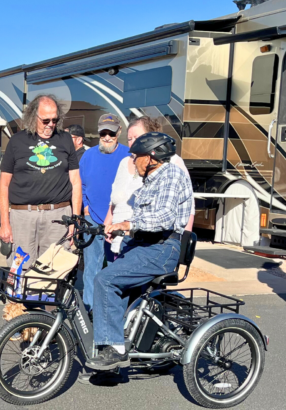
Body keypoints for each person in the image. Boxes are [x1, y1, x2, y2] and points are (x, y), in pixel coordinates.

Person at [87, 132, 194, 370]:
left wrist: (127, 225)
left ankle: (114, 351)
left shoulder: (171, 175)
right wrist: (118, 229)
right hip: (145, 244)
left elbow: (164, 217)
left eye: (136, 156)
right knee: (115, 290)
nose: (133, 160)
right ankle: (110, 370)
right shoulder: (151, 179)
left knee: (105, 280)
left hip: (162, 247)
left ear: (151, 156)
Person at [0, 95, 82, 267]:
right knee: (21, 270)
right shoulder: (17, 141)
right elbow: (4, 185)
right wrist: (4, 223)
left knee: (53, 270)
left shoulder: (65, 139)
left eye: (55, 120)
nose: (51, 124)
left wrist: (75, 220)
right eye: (45, 120)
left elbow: (75, 181)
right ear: (33, 117)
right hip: (23, 216)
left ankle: (48, 296)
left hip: (58, 215)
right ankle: (20, 295)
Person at [105, 116, 195, 259]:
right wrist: (107, 226)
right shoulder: (123, 163)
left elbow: (187, 206)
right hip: (117, 239)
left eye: (137, 137)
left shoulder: (170, 163)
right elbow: (114, 200)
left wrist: (181, 245)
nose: (132, 142)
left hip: (148, 244)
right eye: (129, 138)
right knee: (108, 278)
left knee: (111, 280)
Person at [78, 114, 130, 310]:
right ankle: (90, 310)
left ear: (119, 132)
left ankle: (113, 310)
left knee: (116, 268)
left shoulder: (128, 155)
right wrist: (85, 207)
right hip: (92, 219)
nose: (107, 137)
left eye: (111, 133)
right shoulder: (88, 155)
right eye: (103, 133)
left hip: (117, 221)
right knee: (91, 268)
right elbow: (80, 185)